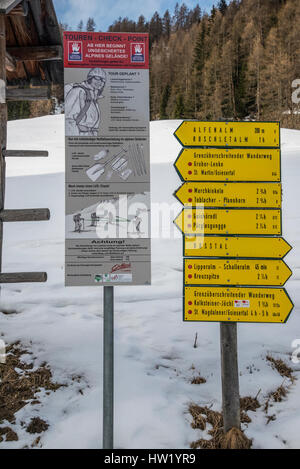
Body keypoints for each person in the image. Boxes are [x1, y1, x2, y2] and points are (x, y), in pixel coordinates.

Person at [65, 68, 106, 136]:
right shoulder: (78, 91)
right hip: (79, 135)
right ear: (90, 78)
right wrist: (74, 139)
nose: (99, 82)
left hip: (89, 135)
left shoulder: (92, 95)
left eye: (102, 80)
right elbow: (68, 119)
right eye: (96, 78)